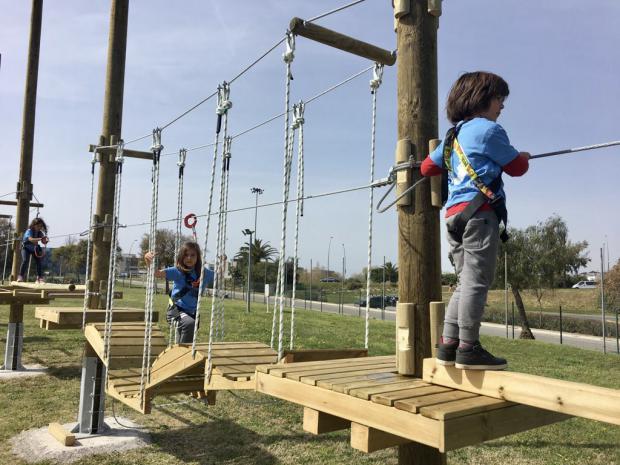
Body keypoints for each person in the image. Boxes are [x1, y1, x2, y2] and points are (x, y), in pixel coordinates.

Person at [420, 71, 530, 370]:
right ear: (482, 98)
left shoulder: (452, 136)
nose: (502, 107)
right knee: (477, 282)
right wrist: (523, 156)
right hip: (480, 215)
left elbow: (427, 168)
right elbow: (517, 168)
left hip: (454, 216)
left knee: (464, 281)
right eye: (499, 99)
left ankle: (449, 344)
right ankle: (469, 347)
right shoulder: (489, 131)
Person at [144, 241, 216, 344]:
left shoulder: (204, 273)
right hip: (176, 311)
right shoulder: (177, 271)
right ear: (181, 257)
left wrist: (222, 262)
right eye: (186, 255)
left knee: (187, 330)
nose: (189, 258)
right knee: (189, 324)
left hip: (193, 313)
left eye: (192, 255)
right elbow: (157, 273)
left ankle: (180, 350)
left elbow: (219, 276)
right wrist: (148, 260)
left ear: (198, 257)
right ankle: (183, 353)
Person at [17, 217, 49, 283]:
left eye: (41, 226)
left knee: (39, 262)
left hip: (34, 248)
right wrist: (40, 239)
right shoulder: (29, 231)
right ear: (34, 225)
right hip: (26, 248)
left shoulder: (40, 233)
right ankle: (20, 276)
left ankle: (39, 278)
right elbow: (30, 239)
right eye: (38, 226)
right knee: (25, 260)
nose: (39, 227)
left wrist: (45, 240)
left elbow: (43, 240)